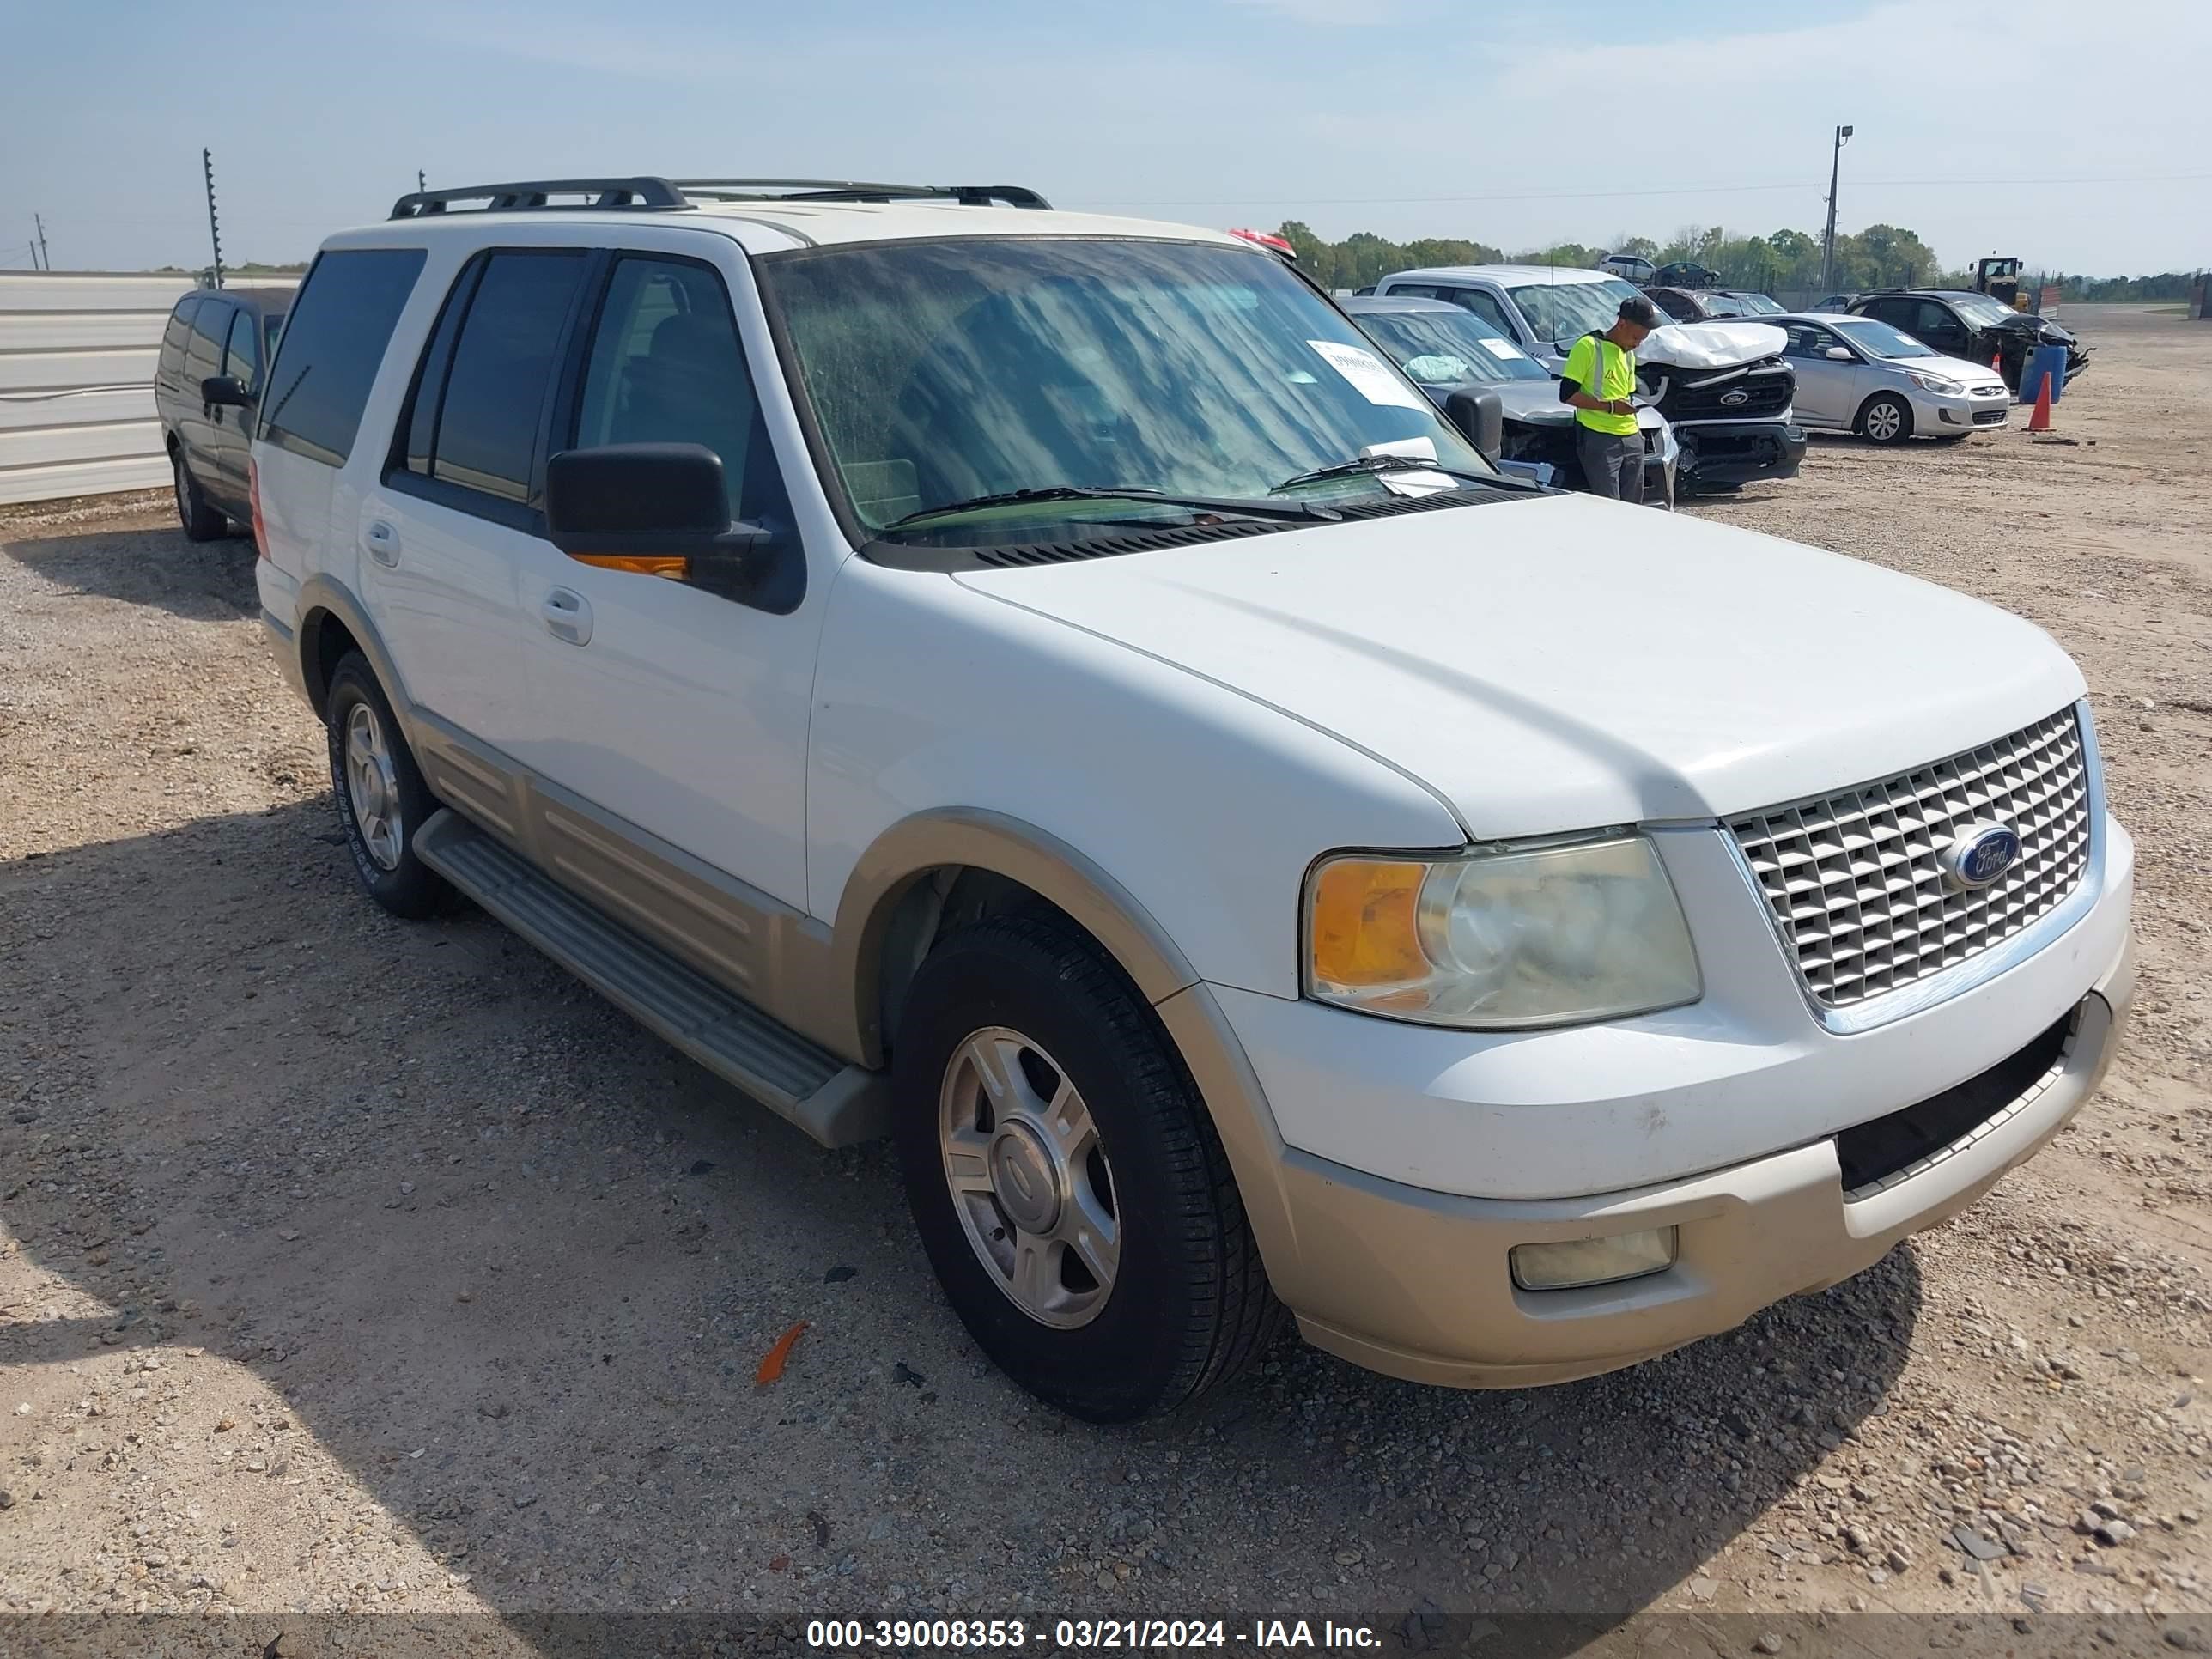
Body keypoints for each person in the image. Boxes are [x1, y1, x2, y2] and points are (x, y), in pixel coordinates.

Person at [1559, 295, 1660, 502]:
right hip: (1600, 438)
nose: (1637, 344)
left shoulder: (1628, 354)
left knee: (1634, 508)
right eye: (1635, 338)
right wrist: (1611, 407)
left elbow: (1626, 394)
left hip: (1632, 436)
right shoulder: (1588, 346)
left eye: (1642, 340)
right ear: (1622, 324)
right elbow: (1567, 394)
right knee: (1608, 506)